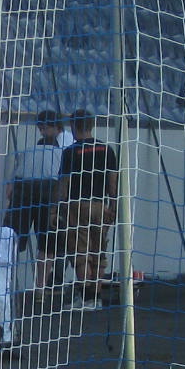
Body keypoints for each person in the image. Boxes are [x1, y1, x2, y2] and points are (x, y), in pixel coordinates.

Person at [57, 111, 120, 306]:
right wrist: (113, 207)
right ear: (92, 125)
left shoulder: (70, 152)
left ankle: (84, 297)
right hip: (100, 205)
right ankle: (96, 298)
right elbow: (112, 182)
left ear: (74, 127)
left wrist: (56, 209)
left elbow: (64, 184)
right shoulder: (106, 149)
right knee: (99, 251)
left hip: (77, 206)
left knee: (80, 252)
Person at [3, 111, 66, 260]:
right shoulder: (62, 154)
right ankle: (43, 282)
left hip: (23, 190)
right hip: (49, 192)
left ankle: (6, 277)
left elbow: (10, 188)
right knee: (49, 246)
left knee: (12, 240)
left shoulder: (28, 153)